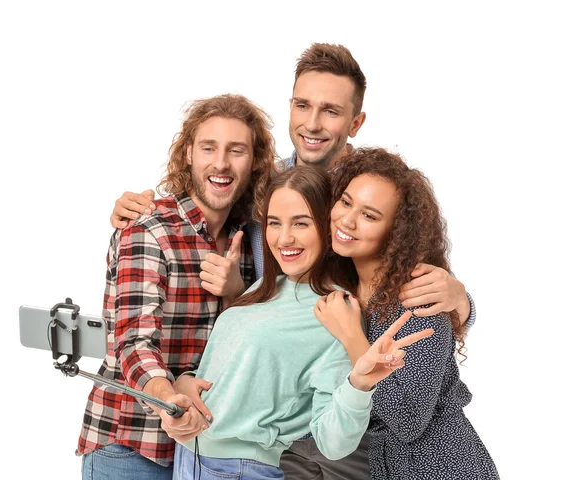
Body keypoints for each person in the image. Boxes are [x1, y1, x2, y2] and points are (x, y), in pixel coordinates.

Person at [107, 43, 477, 480]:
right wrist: (140, 209)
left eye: (331, 110)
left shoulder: (371, 192)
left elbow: (418, 310)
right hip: (283, 442)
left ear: (355, 122)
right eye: (303, 105)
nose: (313, 123)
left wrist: (463, 303)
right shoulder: (263, 186)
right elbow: (211, 193)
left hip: (379, 444)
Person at [171, 166, 434, 480]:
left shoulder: (335, 309)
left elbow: (333, 442)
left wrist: (359, 385)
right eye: (274, 223)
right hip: (188, 457)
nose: (284, 238)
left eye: (301, 223)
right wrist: (186, 382)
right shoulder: (267, 286)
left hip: (238, 470)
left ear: (327, 227)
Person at [76, 94, 278, 480]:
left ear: (254, 162)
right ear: (188, 154)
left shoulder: (251, 239)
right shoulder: (149, 228)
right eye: (209, 148)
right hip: (131, 447)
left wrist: (236, 292)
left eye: (236, 150)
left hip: (205, 454)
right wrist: (169, 400)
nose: (220, 163)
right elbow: (134, 343)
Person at [314, 147, 499, 479]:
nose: (347, 219)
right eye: (345, 201)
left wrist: (353, 337)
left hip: (442, 466)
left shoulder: (419, 299)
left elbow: (408, 420)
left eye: (369, 215)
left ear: (396, 232)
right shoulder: (348, 288)